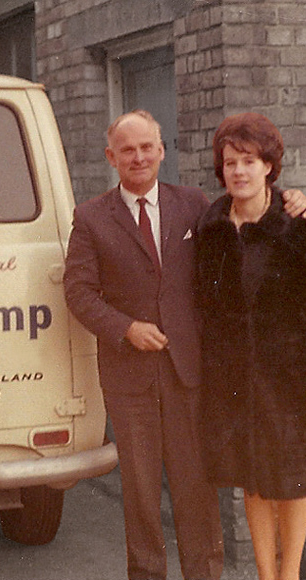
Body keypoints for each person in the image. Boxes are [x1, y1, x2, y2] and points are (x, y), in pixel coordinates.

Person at [63, 109, 306, 580]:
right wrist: (125, 327)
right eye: (127, 149)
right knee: (139, 493)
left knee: (197, 489)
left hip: (190, 374)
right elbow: (78, 292)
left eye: (147, 147)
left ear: (162, 151)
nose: (138, 157)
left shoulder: (193, 204)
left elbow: (253, 208)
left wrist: (293, 198)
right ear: (111, 157)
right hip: (130, 379)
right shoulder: (91, 217)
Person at [195, 112, 306, 580]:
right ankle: (266, 575)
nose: (238, 171)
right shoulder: (211, 227)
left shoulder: (296, 224)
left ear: (269, 167)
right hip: (235, 381)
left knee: (292, 482)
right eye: (230, 162)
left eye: (248, 161)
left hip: (290, 378)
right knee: (253, 483)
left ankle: (290, 574)